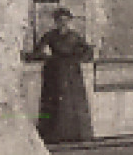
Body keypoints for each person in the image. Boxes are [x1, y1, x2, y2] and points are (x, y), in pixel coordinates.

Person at [31, 8, 94, 144]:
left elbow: (88, 51)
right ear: (55, 22)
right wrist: (46, 56)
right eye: (60, 21)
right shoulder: (50, 36)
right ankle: (54, 135)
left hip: (71, 73)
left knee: (72, 103)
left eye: (65, 21)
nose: (63, 24)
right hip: (54, 72)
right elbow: (37, 51)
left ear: (69, 21)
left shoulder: (75, 37)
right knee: (55, 102)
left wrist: (78, 58)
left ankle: (74, 134)